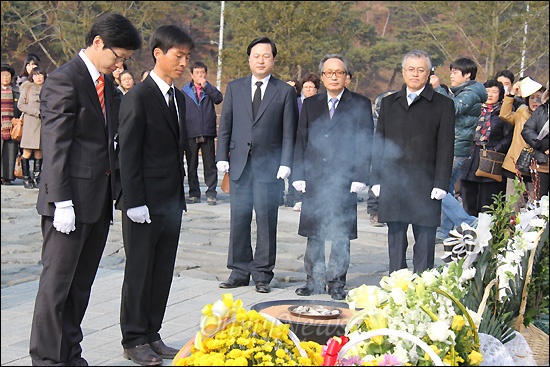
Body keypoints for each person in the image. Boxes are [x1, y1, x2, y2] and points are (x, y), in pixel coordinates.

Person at [29, 13, 141, 366]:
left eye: (124, 58)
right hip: (68, 204)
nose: (120, 63)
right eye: (118, 56)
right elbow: (57, 145)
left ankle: (70, 354)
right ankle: (46, 359)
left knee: (80, 288)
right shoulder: (65, 80)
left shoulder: (106, 85)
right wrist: (60, 200)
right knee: (56, 288)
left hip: (97, 202)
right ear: (97, 43)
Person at [117, 24, 194, 366]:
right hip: (143, 203)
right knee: (139, 270)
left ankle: (152, 333)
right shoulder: (139, 96)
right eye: (178, 56)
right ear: (158, 53)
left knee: (162, 269)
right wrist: (133, 201)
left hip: (170, 201)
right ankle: (133, 338)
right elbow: (128, 152)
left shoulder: (178, 97)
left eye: (187, 58)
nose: (183, 63)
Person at [215, 36, 298, 294]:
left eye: (266, 56)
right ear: (249, 59)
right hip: (239, 165)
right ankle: (239, 271)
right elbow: (225, 124)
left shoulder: (284, 91)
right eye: (256, 55)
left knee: (266, 220)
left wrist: (286, 163)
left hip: (268, 167)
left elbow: (289, 132)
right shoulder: (235, 87)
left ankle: (262, 273)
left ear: (273, 60)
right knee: (239, 220)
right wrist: (221, 156)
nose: (261, 60)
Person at [292, 54, 373, 300]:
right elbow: (301, 140)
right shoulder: (311, 103)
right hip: (315, 177)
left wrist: (361, 175)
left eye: (339, 72)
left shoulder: (359, 103)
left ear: (347, 77)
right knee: (314, 232)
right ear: (323, 77)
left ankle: (336, 282)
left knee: (340, 233)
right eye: (329, 72)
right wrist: (298, 174)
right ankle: (313, 281)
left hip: (344, 178)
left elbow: (365, 142)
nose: (334, 76)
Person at [370, 49, 455, 274]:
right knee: (396, 238)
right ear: (403, 72)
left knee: (425, 238)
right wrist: (376, 178)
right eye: (410, 70)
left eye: (420, 70)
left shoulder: (442, 105)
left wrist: (441, 183)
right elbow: (380, 143)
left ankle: (422, 285)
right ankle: (396, 283)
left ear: (428, 73)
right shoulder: (389, 103)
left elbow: (446, 147)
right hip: (393, 180)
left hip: (425, 182)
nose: (415, 74)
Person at [430, 57, 487, 240]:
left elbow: (451, 110)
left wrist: (438, 89)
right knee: (445, 189)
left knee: (438, 188)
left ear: (467, 74)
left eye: (455, 72)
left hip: (455, 148)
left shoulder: (470, 93)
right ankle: (445, 231)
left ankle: (468, 221)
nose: (451, 75)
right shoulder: (465, 91)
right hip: (457, 147)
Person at [460, 80, 513, 216]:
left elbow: (508, 137)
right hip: (471, 155)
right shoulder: (473, 109)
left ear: (500, 94)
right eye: (487, 91)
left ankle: (486, 230)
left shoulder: (503, 113)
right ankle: (469, 227)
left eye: (494, 92)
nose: (490, 94)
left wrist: (495, 148)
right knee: (468, 196)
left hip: (490, 156)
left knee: (488, 199)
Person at [181, 61, 223, 205]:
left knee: (209, 164)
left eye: (202, 73)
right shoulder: (184, 91)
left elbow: (218, 99)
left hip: (207, 131)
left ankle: (211, 193)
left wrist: (206, 86)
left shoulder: (209, 89)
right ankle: (194, 193)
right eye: (197, 73)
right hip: (191, 132)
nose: (200, 76)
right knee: (191, 165)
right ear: (191, 75)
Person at [500, 76, 545, 197]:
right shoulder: (521, 113)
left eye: (539, 98)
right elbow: (504, 114)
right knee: (513, 203)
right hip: (516, 166)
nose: (535, 101)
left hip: (538, 167)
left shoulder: (546, 117)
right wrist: (512, 93)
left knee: (533, 206)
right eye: (532, 98)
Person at [288, 72, 320, 211]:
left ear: (316, 89)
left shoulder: (320, 103)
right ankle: (296, 198)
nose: (308, 89)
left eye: (311, 87)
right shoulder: (296, 103)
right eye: (305, 87)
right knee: (297, 168)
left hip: (314, 141)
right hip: (297, 140)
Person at [367, 90, 397, 227]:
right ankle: (374, 211)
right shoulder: (382, 104)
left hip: (394, 148)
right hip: (378, 146)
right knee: (376, 179)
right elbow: (374, 128)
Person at [17, 66, 47, 189]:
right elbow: (21, 105)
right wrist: (35, 111)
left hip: (44, 123)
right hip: (31, 123)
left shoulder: (48, 88)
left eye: (40, 75)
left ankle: (37, 177)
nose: (38, 77)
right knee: (27, 152)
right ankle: (26, 178)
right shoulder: (27, 88)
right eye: (36, 75)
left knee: (40, 152)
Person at [521, 82, 549, 199]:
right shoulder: (542, 110)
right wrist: (543, 146)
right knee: (539, 203)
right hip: (542, 163)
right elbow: (527, 130)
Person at [1, 64, 22, 185]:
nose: (5, 77)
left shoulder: (16, 91)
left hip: (12, 125)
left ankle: (7, 177)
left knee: (10, 152)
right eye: (3, 75)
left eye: (7, 75)